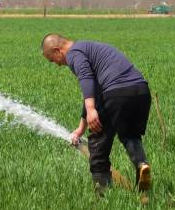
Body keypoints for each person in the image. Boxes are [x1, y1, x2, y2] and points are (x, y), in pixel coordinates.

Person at [41, 33, 152, 194]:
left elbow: (86, 78)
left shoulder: (74, 53)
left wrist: (92, 109)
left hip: (117, 92)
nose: (57, 64)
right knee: (129, 135)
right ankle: (142, 169)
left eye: (53, 60)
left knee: (98, 144)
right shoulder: (88, 47)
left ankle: (103, 196)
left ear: (57, 50)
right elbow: (93, 91)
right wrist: (80, 128)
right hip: (141, 91)